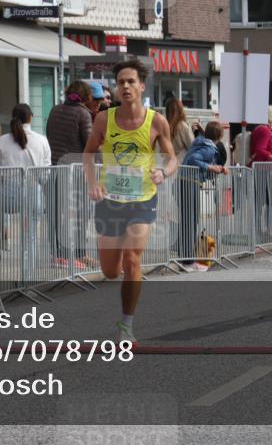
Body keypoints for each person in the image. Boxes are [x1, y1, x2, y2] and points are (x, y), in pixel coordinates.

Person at [83, 59, 177, 343]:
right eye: (120, 82)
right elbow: (88, 153)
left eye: (130, 81)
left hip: (142, 199)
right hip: (110, 200)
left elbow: (173, 157)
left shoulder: (156, 121)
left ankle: (126, 326)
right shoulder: (104, 119)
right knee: (111, 271)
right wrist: (92, 183)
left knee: (133, 259)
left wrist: (163, 171)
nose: (125, 86)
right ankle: (122, 271)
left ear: (141, 86)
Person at [45, 81, 95, 270]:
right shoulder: (83, 114)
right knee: (81, 214)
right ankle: (78, 255)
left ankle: (57, 255)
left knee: (56, 214)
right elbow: (89, 145)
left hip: (56, 169)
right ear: (86, 96)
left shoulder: (55, 110)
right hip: (75, 172)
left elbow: (49, 135)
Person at [179, 121, 228, 271]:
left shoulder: (201, 142)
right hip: (190, 182)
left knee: (190, 222)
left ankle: (188, 259)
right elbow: (194, 160)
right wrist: (211, 167)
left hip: (188, 181)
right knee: (191, 222)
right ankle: (188, 261)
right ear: (219, 136)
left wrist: (216, 168)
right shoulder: (208, 148)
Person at [166, 98, 195, 162]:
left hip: (167, 162)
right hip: (182, 164)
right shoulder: (183, 125)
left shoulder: (165, 124)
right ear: (180, 110)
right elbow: (192, 146)